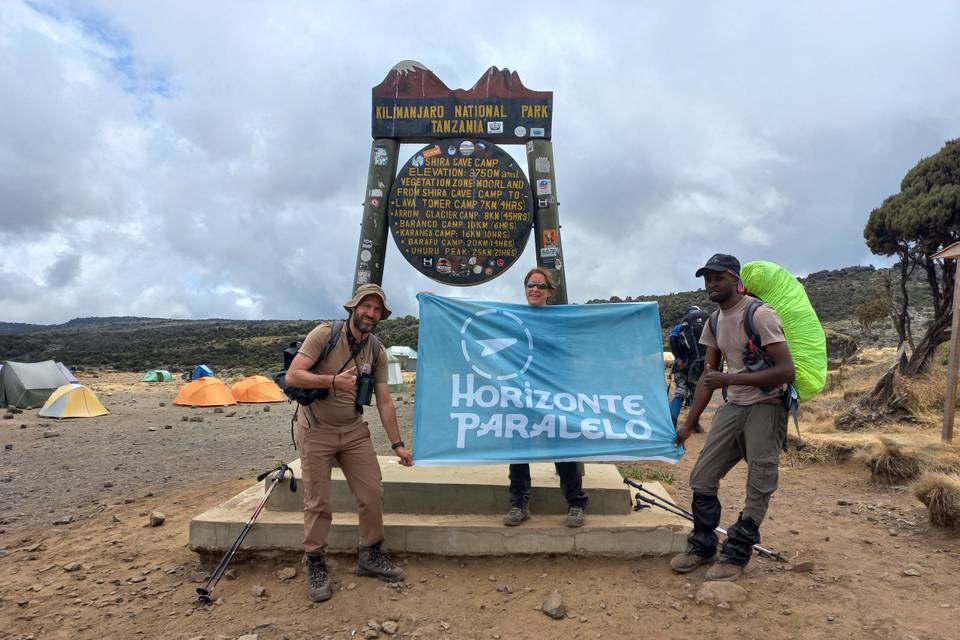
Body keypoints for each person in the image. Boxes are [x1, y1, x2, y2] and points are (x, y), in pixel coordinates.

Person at [284, 283, 414, 602]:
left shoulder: (376, 349)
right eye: (366, 307)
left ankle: (370, 554)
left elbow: (384, 401)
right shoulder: (324, 335)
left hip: (353, 429)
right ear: (353, 308)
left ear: (381, 316)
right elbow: (292, 376)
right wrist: (332, 381)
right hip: (316, 428)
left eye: (377, 310)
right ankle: (315, 560)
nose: (370, 313)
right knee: (318, 501)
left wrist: (397, 444)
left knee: (372, 491)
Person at [672, 254, 795, 582]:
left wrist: (730, 380)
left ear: (735, 279)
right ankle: (703, 544)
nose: (711, 284)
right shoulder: (714, 321)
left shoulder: (760, 314)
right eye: (707, 279)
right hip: (733, 407)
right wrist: (687, 424)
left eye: (718, 278)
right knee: (702, 476)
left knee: (759, 481)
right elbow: (708, 378)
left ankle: (736, 553)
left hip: (767, 406)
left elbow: (786, 370)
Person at [502, 267, 590, 528]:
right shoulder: (513, 319)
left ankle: (576, 503)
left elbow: (574, 354)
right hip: (522, 395)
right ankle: (519, 504)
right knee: (518, 449)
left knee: (564, 448)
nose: (535, 290)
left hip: (555, 396)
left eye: (541, 286)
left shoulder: (561, 321)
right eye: (530, 285)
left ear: (550, 292)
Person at [668, 306, 708, 430]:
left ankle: (672, 421)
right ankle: (694, 424)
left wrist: (680, 358)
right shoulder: (704, 327)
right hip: (696, 367)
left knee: (680, 391)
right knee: (695, 395)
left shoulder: (679, 327)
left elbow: (672, 340)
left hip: (681, 366)